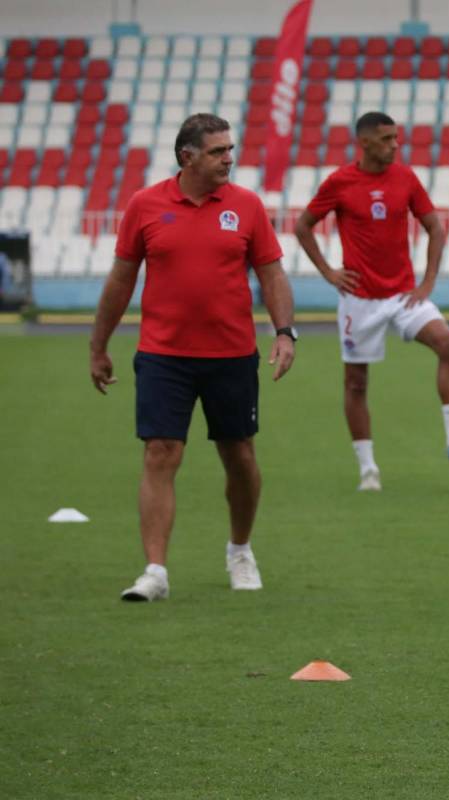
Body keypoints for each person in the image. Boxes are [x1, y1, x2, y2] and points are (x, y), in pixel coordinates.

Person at [89, 113, 296, 601]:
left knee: (239, 455)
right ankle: (155, 571)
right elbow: (121, 280)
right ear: (188, 157)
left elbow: (272, 275)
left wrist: (284, 333)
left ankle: (240, 550)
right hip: (164, 356)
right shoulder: (145, 205)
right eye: (218, 151)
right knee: (161, 452)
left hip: (231, 355)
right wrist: (99, 345)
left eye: (230, 149)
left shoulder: (246, 206)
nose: (229, 158)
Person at [295, 112, 449, 491]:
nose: (394, 145)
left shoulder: (405, 178)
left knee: (448, 343)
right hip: (358, 301)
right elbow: (303, 225)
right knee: (356, 383)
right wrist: (328, 272)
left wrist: (428, 281)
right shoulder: (339, 182)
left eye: (396, 139)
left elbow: (434, 227)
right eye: (387, 139)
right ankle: (368, 469)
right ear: (365, 142)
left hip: (403, 295)